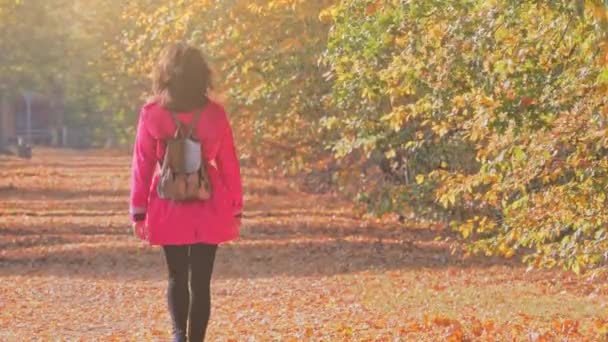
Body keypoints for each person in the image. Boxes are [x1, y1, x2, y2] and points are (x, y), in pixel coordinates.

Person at [128, 42, 243, 342]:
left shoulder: (152, 113)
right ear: (201, 75)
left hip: (169, 204)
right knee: (201, 281)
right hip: (210, 202)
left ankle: (178, 335)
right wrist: (236, 207)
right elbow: (228, 162)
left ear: (166, 75)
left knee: (177, 276)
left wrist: (138, 210)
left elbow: (142, 163)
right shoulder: (215, 114)